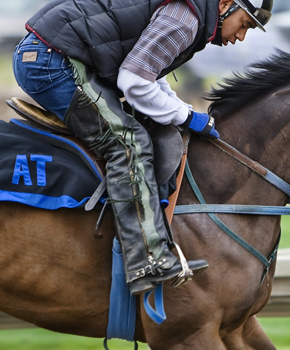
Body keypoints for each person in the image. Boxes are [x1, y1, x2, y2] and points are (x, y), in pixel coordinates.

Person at [12, 0, 273, 295]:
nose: (240, 36)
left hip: (55, 54)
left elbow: (150, 75)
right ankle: (146, 260)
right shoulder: (185, 20)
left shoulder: (190, 15)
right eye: (245, 24)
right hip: (52, 62)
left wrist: (182, 111)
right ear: (225, 4)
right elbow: (134, 82)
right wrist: (187, 116)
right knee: (128, 143)